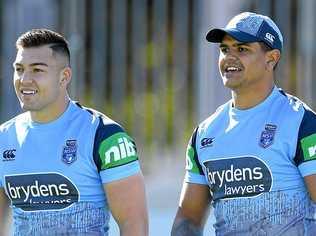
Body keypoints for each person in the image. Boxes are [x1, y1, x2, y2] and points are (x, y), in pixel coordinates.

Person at [172, 12, 316, 235]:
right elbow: (189, 217)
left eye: (242, 49)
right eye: (224, 49)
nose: (229, 57)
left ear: (272, 58)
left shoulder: (301, 122)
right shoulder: (205, 133)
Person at [0, 29, 148, 235]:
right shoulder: (3, 139)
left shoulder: (105, 136)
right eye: (19, 69)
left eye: (37, 70)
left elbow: (134, 225)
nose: (24, 79)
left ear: (64, 77)